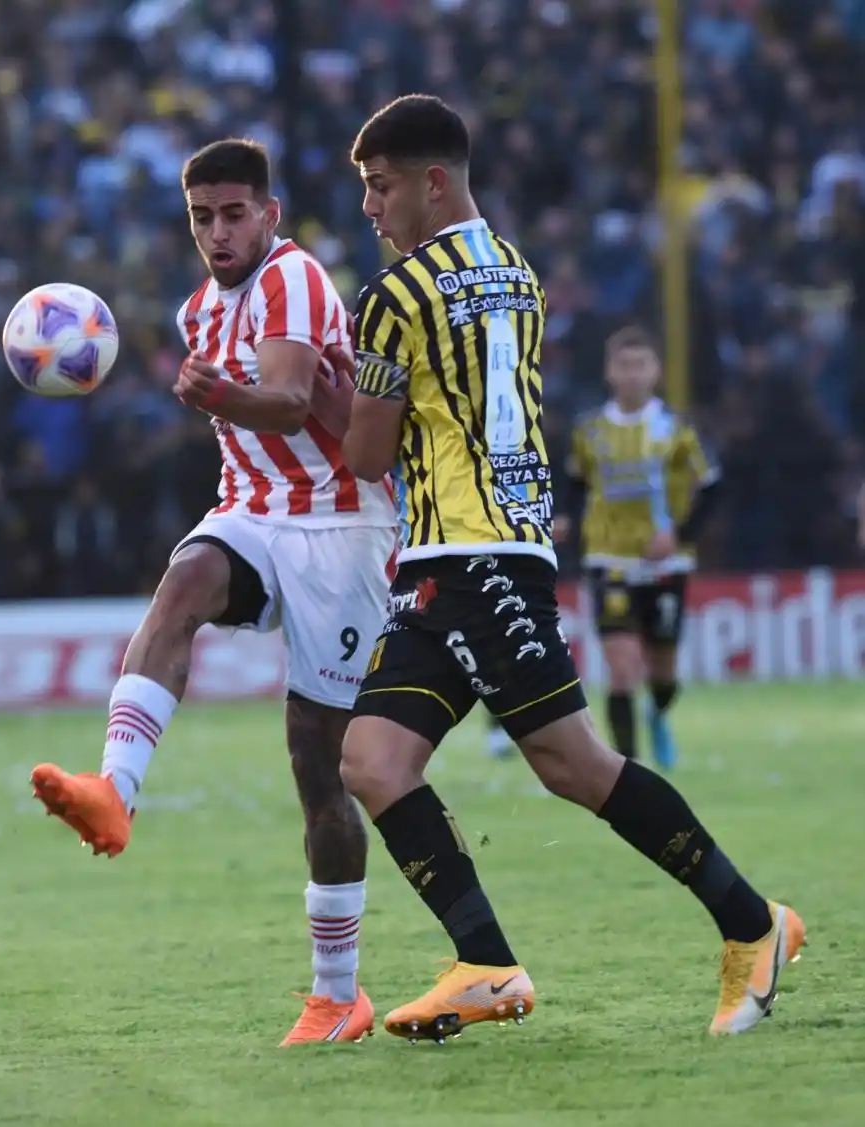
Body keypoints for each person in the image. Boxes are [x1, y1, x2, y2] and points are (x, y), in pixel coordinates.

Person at [337, 94, 805, 1044]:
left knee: (575, 763)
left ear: (434, 182)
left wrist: (320, 390)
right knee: (374, 760)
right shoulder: (518, 271)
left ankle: (753, 923)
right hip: (475, 554)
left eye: (381, 189)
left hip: (473, 556)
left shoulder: (391, 298)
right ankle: (485, 962)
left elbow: (367, 454)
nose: (370, 210)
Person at [31, 139, 396, 1046]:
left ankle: (337, 992)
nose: (219, 231)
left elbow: (279, 398)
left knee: (321, 763)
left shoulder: (297, 280)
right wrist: (217, 402)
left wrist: (214, 397)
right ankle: (114, 790)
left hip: (346, 530)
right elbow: (249, 420)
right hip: (257, 512)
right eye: (203, 216)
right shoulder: (201, 310)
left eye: (235, 213)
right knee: (182, 584)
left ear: (269, 215)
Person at [556, 326, 722, 769]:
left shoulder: (679, 429)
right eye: (624, 365)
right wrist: (565, 517)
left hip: (666, 561)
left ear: (657, 372)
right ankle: (629, 769)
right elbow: (574, 483)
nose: (632, 374)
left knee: (662, 671)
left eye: (641, 365)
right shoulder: (589, 430)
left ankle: (659, 712)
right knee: (623, 667)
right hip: (609, 557)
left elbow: (713, 488)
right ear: (610, 372)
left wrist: (680, 535)